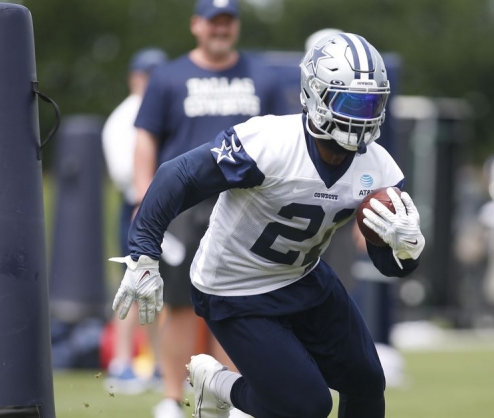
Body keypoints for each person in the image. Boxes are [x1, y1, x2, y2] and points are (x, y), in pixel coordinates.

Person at [112, 32, 425, 418]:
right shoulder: (270, 143)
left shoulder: (378, 168)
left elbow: (389, 264)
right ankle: (219, 385)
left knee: (366, 382)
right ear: (315, 94)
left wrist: (407, 250)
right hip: (234, 287)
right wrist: (143, 253)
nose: (362, 116)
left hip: (302, 276)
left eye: (371, 103)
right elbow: (178, 176)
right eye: (350, 101)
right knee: (308, 405)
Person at [130, 0, 282, 416]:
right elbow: (145, 138)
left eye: (228, 21)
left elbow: (282, 143)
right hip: (184, 206)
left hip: (244, 206)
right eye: (214, 22)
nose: (221, 29)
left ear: (237, 26)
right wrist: (145, 198)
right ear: (197, 25)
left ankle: (232, 399)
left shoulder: (262, 79)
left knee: (237, 305)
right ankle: (170, 398)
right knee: (179, 304)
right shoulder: (168, 76)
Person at [101, 47, 168, 394]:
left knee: (157, 288)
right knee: (134, 281)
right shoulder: (124, 117)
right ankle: (121, 363)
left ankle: (158, 365)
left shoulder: (160, 109)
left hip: (163, 208)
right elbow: (124, 172)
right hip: (137, 206)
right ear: (135, 78)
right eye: (148, 75)